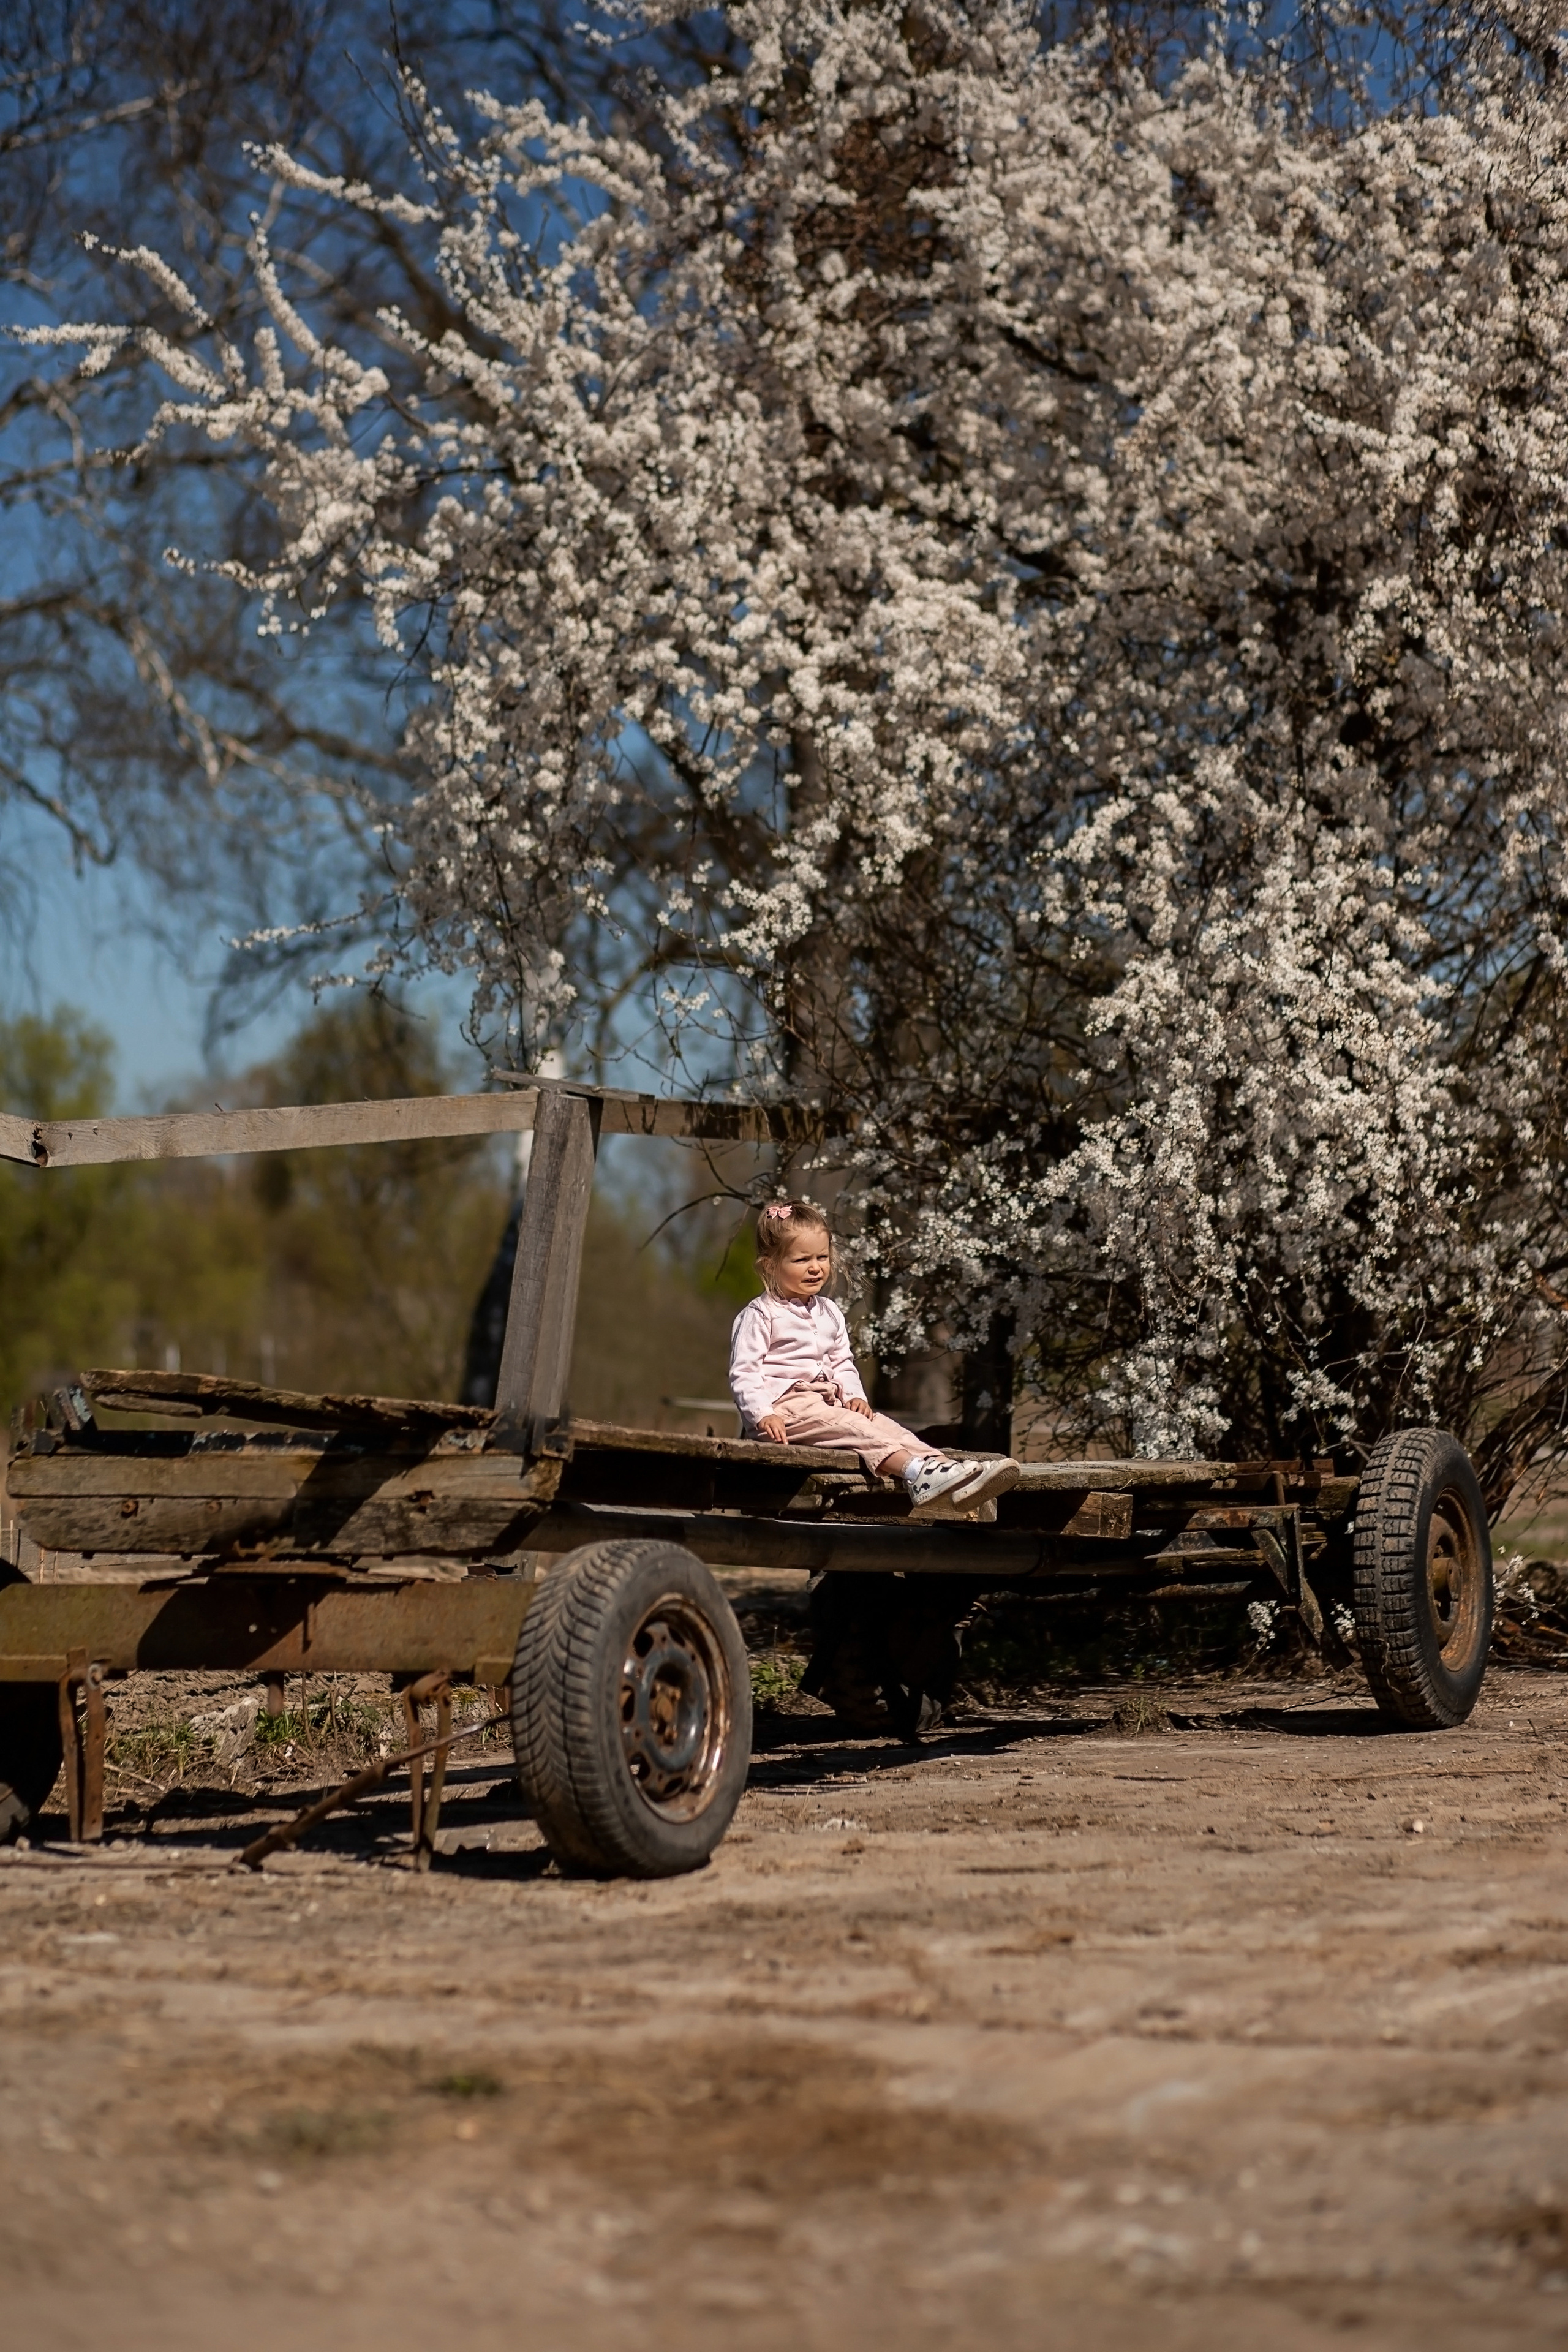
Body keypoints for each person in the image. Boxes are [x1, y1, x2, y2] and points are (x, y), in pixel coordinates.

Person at [728, 1199, 1021, 1517]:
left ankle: (952, 1474)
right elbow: (745, 1372)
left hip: (827, 1406)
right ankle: (916, 1474)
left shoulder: (829, 1312)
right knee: (858, 1429)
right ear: (771, 1265)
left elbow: (842, 1362)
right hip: (785, 1413)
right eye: (802, 1260)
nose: (815, 1267)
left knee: (887, 1427)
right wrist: (761, 1415)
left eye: (822, 1257)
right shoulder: (761, 1315)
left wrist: (854, 1395)